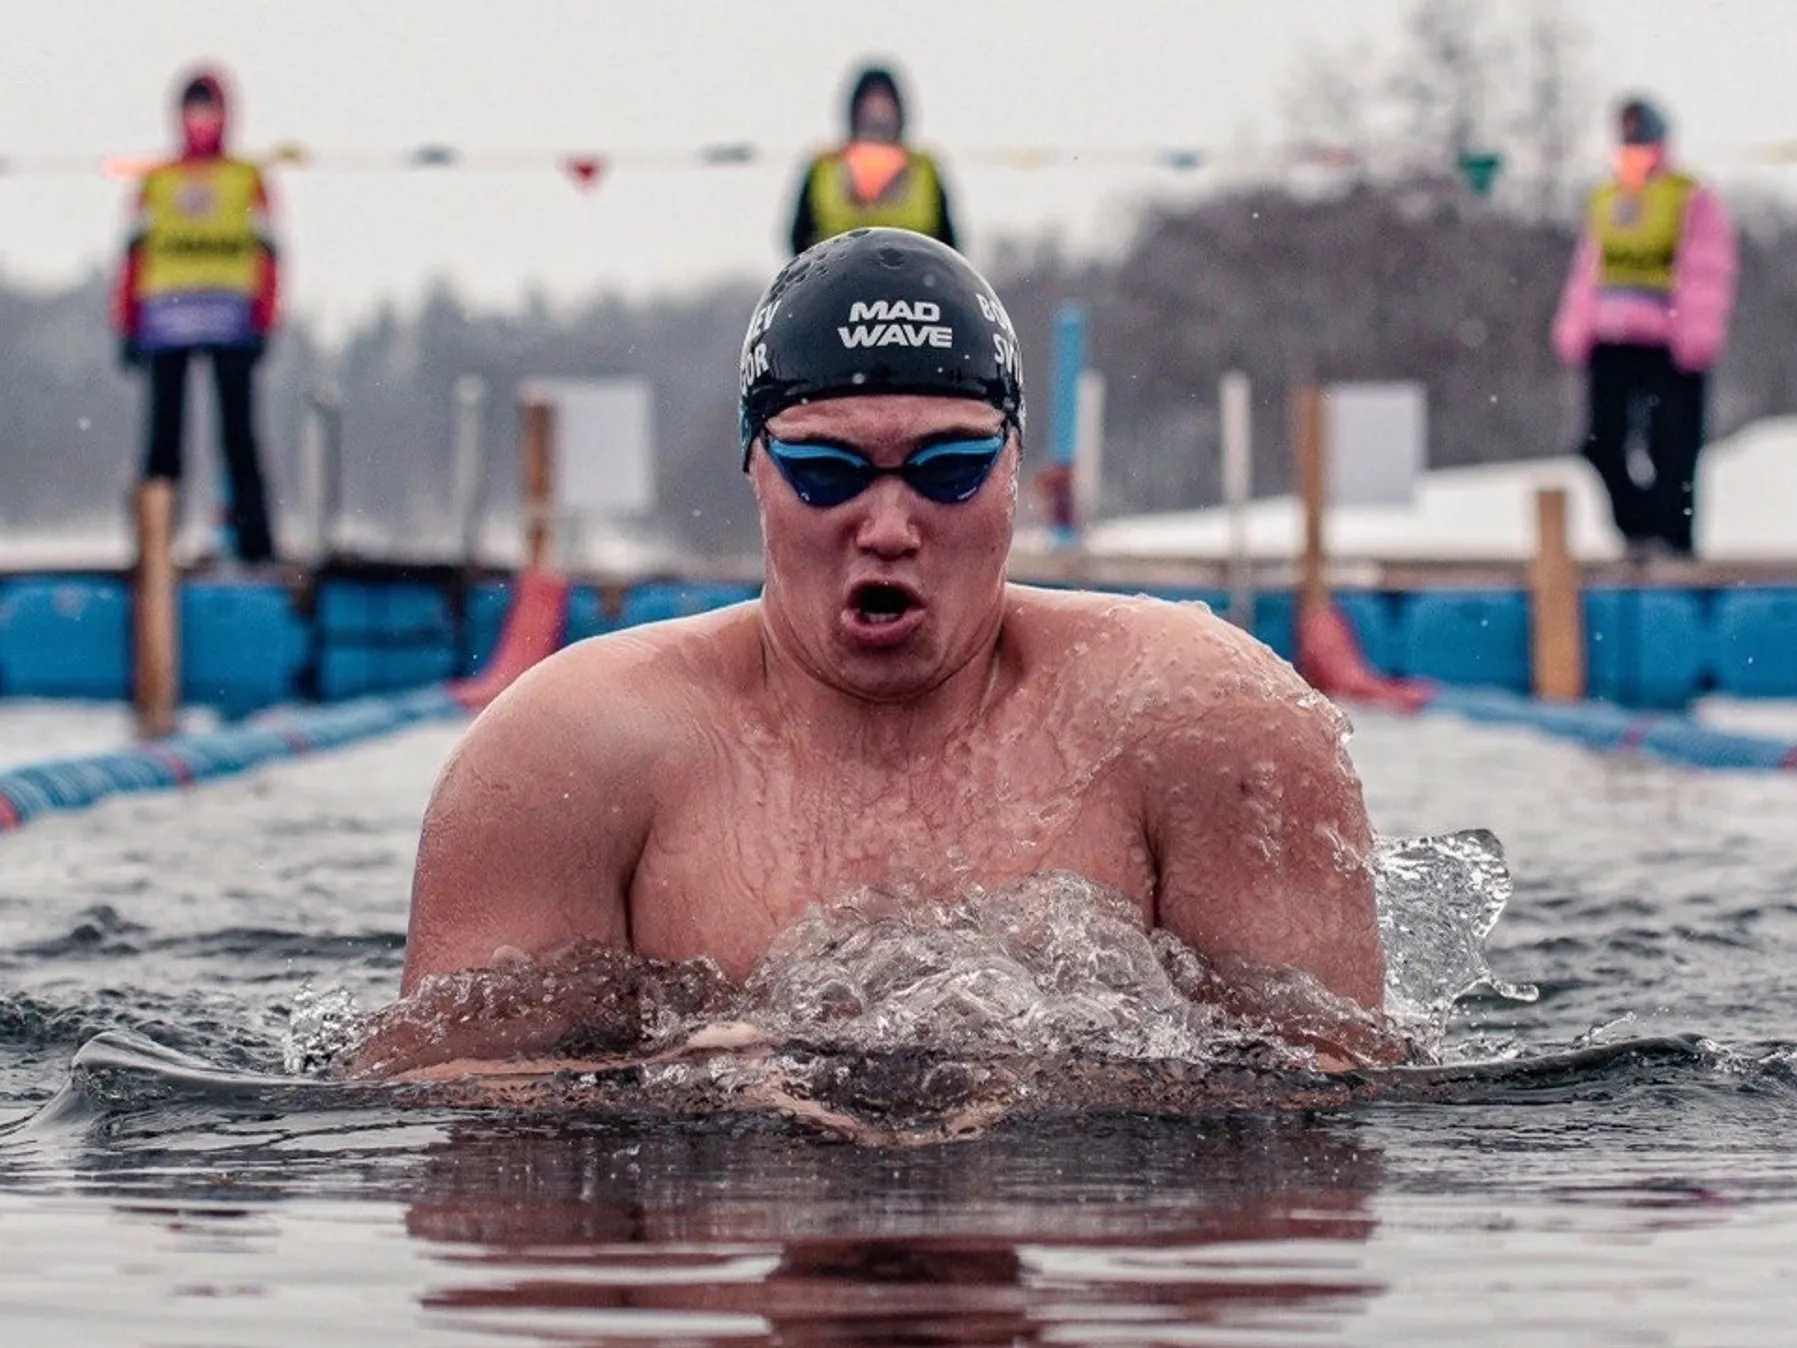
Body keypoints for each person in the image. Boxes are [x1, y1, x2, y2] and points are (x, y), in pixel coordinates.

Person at [370, 228, 1391, 1078]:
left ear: (1014, 475)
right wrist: (702, 1096)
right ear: (757, 475)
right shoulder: (566, 758)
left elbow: (1325, 1120)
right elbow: (471, 1141)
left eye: (948, 469)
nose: (890, 525)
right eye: (827, 473)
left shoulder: (1204, 721)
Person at [1552, 96, 1737, 560]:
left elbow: (1706, 271)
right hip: (1612, 340)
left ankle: (1674, 539)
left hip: (1670, 341)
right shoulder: (1608, 198)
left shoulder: (1688, 196)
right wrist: (1576, 327)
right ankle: (1639, 529)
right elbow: (1590, 271)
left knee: (1673, 445)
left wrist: (1696, 334)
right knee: (1600, 442)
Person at [113, 67, 281, 565]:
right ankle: (155, 548)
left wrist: (264, 319)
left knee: (238, 438)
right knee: (163, 442)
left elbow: (268, 256)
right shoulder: (157, 180)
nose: (201, 120)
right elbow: (133, 257)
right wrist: (127, 323)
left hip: (231, 323)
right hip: (167, 326)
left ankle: (255, 546)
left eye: (209, 108)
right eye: (193, 108)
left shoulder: (246, 179)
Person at [787, 64, 958, 256]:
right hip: (838, 281)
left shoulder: (924, 167)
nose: (878, 117)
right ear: (854, 113)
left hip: (912, 282)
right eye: (869, 109)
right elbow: (798, 238)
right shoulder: (824, 165)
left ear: (899, 113)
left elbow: (949, 243)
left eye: (885, 108)